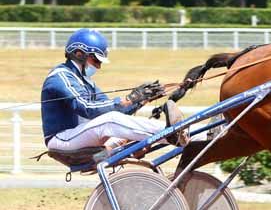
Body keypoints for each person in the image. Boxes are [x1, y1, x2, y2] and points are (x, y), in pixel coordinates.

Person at [41, 28, 188, 153]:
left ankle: (192, 134)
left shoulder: (86, 81)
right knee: (110, 121)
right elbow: (86, 108)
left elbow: (112, 110)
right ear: (79, 54)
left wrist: (141, 100)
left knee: (123, 126)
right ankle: (171, 134)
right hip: (61, 138)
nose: (98, 67)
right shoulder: (61, 77)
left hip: (78, 135)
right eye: (96, 61)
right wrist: (129, 99)